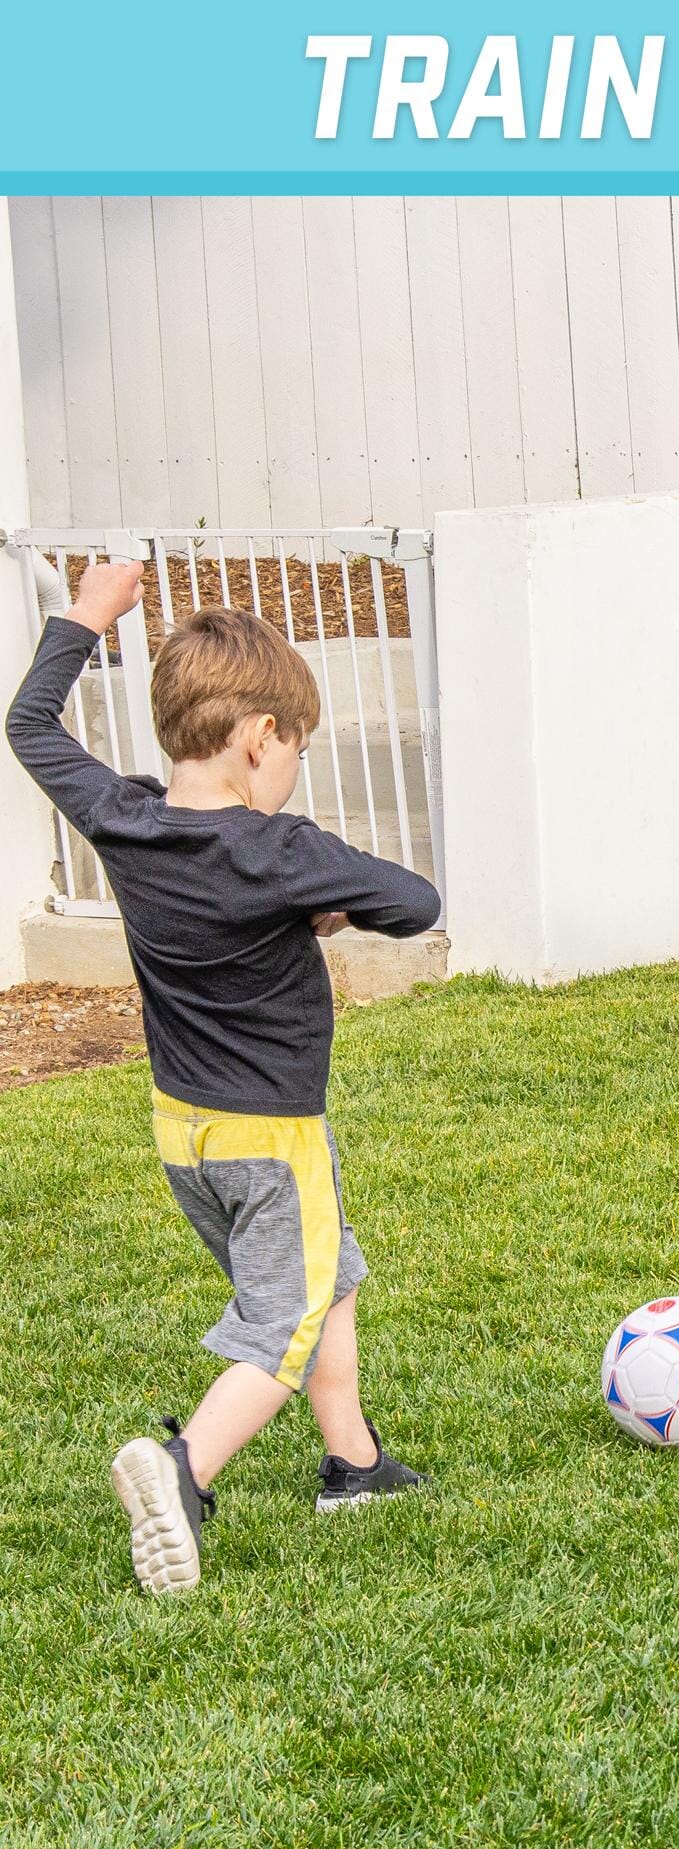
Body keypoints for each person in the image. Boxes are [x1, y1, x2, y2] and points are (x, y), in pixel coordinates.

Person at [6, 561, 441, 1592]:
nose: (291, 767)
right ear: (258, 737)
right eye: (295, 747)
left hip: (183, 1134)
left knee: (325, 1276)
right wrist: (330, 906)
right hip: (272, 1136)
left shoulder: (124, 816)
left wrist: (85, 617)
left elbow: (30, 726)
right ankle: (182, 1468)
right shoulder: (279, 852)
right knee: (280, 1325)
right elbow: (416, 900)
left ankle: (357, 1463)